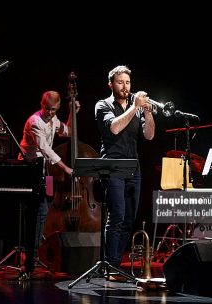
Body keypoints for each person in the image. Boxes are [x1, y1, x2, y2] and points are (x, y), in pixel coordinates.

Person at [95, 65, 155, 280]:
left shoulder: (136, 107)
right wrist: (134, 108)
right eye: (120, 82)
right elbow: (114, 128)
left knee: (130, 218)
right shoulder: (103, 105)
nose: (125, 87)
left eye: (128, 82)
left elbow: (148, 136)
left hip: (134, 167)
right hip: (112, 165)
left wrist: (147, 111)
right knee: (117, 215)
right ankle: (110, 266)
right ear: (111, 84)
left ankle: (116, 264)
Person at [18, 90, 79, 274]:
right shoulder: (34, 121)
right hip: (29, 169)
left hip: (45, 170)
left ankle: (34, 252)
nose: (49, 112)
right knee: (39, 209)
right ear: (41, 104)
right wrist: (65, 168)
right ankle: (31, 253)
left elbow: (68, 132)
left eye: (53, 109)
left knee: (47, 207)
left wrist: (72, 113)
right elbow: (45, 149)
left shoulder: (54, 120)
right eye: (47, 108)